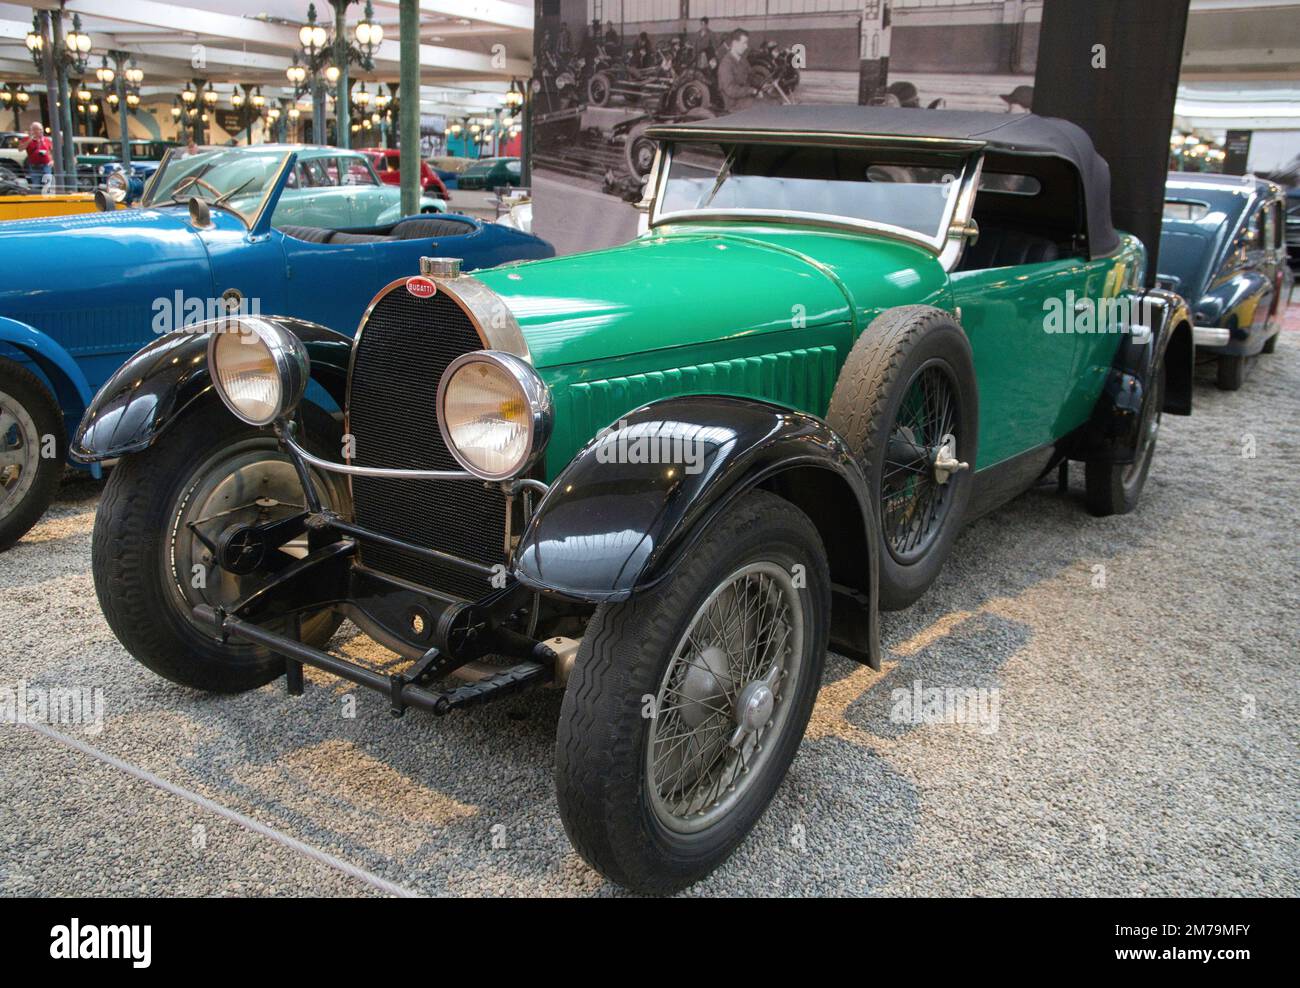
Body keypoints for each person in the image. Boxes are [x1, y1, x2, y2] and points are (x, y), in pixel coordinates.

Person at [717, 29, 760, 112]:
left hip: (746, 98)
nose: (746, 46)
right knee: (764, 105)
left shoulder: (743, 60)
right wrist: (751, 90)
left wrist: (764, 84)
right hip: (734, 104)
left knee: (773, 101)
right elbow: (730, 89)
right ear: (734, 43)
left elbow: (751, 76)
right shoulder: (726, 64)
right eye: (744, 43)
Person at [19, 122, 53, 188]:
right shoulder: (26, 139)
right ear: (32, 130)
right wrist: (30, 140)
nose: (40, 131)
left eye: (41, 129)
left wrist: (52, 160)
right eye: (37, 129)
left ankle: (47, 197)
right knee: (36, 184)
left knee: (47, 185)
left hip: (46, 165)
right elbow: (20, 149)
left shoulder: (46, 140)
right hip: (34, 166)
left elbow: (50, 151)